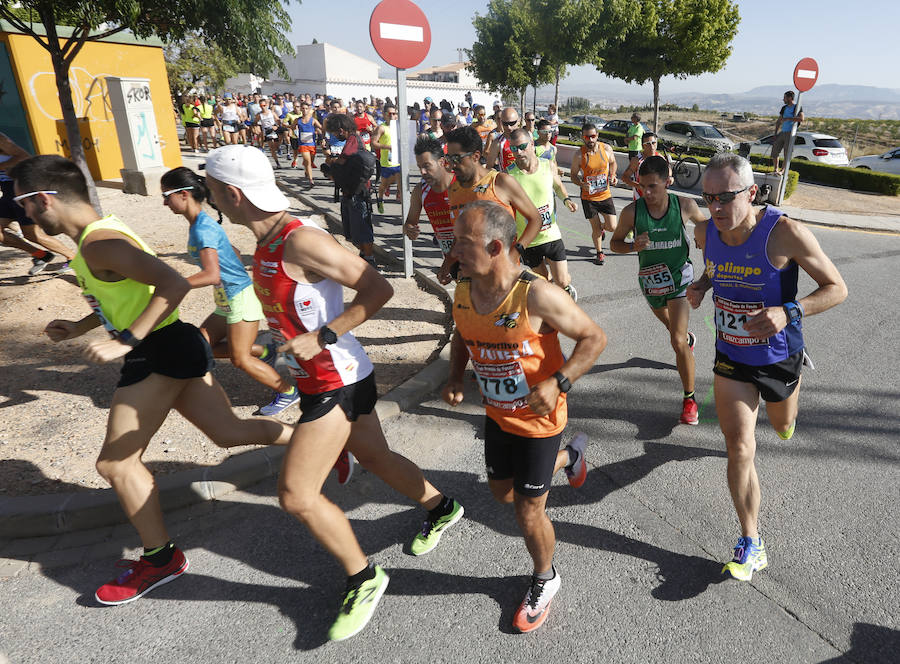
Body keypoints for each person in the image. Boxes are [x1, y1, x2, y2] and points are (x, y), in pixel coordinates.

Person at [204, 144, 464, 641]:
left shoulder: (302, 242)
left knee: (297, 495)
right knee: (377, 457)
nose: (210, 198)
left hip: (337, 382)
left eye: (212, 191)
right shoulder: (265, 244)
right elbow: (289, 323)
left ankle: (365, 578)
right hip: (323, 380)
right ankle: (442, 506)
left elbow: (378, 289)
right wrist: (260, 356)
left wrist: (324, 336)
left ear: (232, 194)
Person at [9, 154, 294, 605]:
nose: (22, 213)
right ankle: (319, 443)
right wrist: (80, 327)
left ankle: (160, 559)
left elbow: (173, 284)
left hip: (158, 349)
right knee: (228, 433)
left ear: (43, 198)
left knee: (116, 464)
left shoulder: (100, 244)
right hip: (173, 343)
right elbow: (129, 292)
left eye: (22, 202)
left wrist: (126, 339)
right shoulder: (98, 237)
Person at [442, 200, 606, 633]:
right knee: (503, 494)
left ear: (496, 246)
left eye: (463, 242)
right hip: (498, 416)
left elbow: (594, 337)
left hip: (540, 422)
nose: (453, 250)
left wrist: (559, 382)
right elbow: (462, 333)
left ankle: (545, 578)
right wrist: (457, 376)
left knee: (529, 512)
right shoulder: (464, 288)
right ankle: (570, 459)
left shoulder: (536, 294)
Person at [686, 153, 847, 581]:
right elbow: (714, 268)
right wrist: (702, 285)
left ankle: (790, 402)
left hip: (779, 357)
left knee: (781, 426)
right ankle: (751, 541)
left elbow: (837, 289)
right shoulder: (706, 232)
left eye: (725, 197)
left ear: (752, 193)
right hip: (732, 357)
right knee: (739, 446)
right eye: (708, 197)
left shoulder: (785, 233)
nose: (716, 207)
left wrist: (788, 312)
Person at [159, 166, 301, 416]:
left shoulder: (202, 228)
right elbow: (232, 251)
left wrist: (176, 284)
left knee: (240, 359)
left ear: (183, 194)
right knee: (201, 346)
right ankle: (264, 352)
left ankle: (288, 391)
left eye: (166, 195)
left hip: (240, 299)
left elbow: (211, 274)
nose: (164, 203)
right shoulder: (201, 224)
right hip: (227, 299)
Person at [610, 155, 708, 424]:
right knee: (676, 333)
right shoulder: (632, 212)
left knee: (676, 340)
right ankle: (686, 339)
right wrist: (632, 246)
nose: (647, 192)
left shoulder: (684, 205)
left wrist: (705, 239)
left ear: (668, 182)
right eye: (642, 186)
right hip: (651, 283)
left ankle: (689, 399)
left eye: (653, 186)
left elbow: (705, 228)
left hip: (678, 280)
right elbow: (614, 244)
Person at [444, 126, 542, 255]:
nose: (452, 165)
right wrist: (449, 262)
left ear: (475, 156)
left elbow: (535, 220)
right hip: (467, 272)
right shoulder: (453, 190)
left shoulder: (501, 182)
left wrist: (513, 257)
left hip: (501, 273)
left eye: (456, 159)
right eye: (448, 159)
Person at [505, 128, 578, 299]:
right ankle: (555, 302)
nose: (519, 152)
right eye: (514, 148)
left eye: (522, 146)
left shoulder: (547, 165)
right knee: (543, 281)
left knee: (562, 280)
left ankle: (565, 287)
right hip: (527, 240)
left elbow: (558, 186)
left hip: (550, 234)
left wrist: (566, 200)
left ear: (531, 144)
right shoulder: (509, 174)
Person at [1, 132, 75, 274]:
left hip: (20, 188)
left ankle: (73, 257)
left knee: (32, 234)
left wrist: (2, 165)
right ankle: (41, 255)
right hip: (6, 192)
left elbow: (24, 157)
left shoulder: (1, 139)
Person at [323, 113, 378, 269]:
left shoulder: (353, 140)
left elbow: (342, 160)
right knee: (356, 229)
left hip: (358, 193)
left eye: (334, 132)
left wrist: (331, 160)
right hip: (354, 191)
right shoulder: (353, 140)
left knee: (362, 228)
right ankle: (365, 257)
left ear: (341, 130)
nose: (334, 135)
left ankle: (369, 260)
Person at [403, 136, 457, 284]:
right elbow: (409, 222)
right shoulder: (420, 191)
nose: (423, 171)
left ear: (441, 162)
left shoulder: (460, 185)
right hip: (450, 257)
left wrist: (447, 265)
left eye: (427, 166)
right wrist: (409, 230)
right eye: (420, 167)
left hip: (471, 257)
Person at [570, 122, 618, 265]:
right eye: (587, 137)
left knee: (612, 227)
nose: (590, 140)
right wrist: (581, 183)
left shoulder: (606, 149)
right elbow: (573, 175)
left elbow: (613, 162)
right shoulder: (579, 155)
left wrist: (613, 175)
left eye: (593, 136)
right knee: (595, 228)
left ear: (597, 135)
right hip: (588, 197)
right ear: (582, 137)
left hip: (605, 195)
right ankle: (599, 253)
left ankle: (603, 229)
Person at [372, 104, 401, 215]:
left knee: (401, 183)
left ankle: (403, 203)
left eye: (395, 114)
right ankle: (380, 198)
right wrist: (388, 147)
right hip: (387, 162)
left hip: (398, 161)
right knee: (384, 185)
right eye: (390, 114)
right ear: (384, 115)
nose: (393, 116)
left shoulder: (399, 127)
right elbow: (373, 143)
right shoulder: (381, 128)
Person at [771, 90, 805, 174]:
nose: (783, 99)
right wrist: (775, 133)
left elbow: (801, 118)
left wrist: (789, 119)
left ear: (790, 98)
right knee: (775, 151)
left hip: (790, 133)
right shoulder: (784, 108)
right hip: (782, 132)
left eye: (785, 98)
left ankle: (782, 170)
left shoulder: (797, 107)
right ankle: (775, 169)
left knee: (787, 152)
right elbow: (779, 120)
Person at [291, 100, 321, 186]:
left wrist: (319, 133)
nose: (304, 110)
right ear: (300, 109)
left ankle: (306, 171)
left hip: (312, 144)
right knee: (307, 161)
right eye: (303, 108)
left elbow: (322, 128)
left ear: (309, 110)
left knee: (310, 161)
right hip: (303, 144)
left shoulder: (313, 120)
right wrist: (292, 131)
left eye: (306, 109)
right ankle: (311, 180)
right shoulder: (297, 120)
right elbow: (292, 127)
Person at [484, 107, 520, 172]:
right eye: (505, 124)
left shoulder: (527, 137)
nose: (509, 127)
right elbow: (488, 167)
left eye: (512, 123)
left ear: (518, 121)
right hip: (507, 180)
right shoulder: (498, 143)